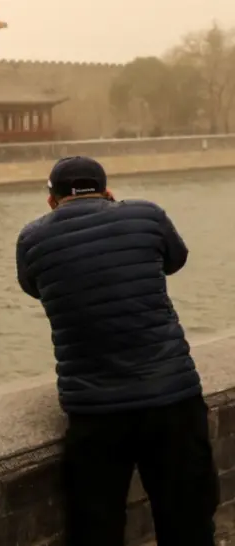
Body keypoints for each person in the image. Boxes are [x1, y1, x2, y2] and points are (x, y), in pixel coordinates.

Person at [15, 156, 219, 546]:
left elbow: (34, 287)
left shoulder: (32, 239)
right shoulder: (147, 215)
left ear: (51, 200)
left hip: (94, 410)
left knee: (96, 530)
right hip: (171, 397)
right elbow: (175, 259)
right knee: (188, 523)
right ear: (107, 192)